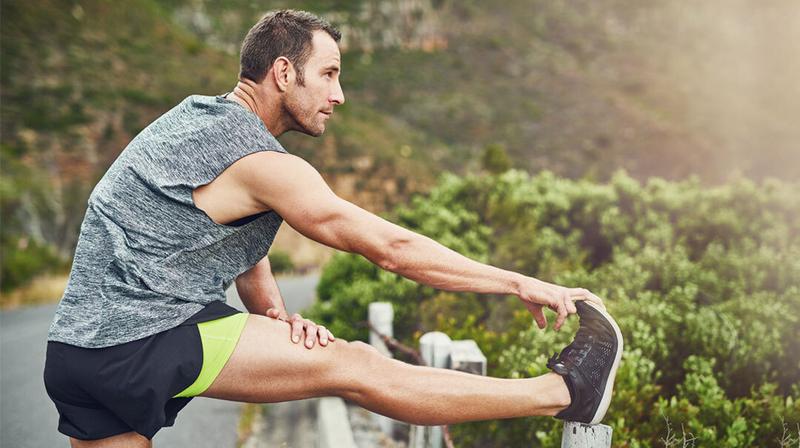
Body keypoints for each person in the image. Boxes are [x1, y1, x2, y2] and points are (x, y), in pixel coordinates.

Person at [43, 9, 622, 448]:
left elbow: (233, 245)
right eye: (329, 75)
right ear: (284, 71)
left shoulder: (196, 119)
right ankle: (564, 394)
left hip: (76, 355)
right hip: (141, 340)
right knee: (353, 366)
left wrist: (273, 318)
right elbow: (392, 249)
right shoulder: (260, 162)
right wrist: (520, 283)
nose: (338, 96)